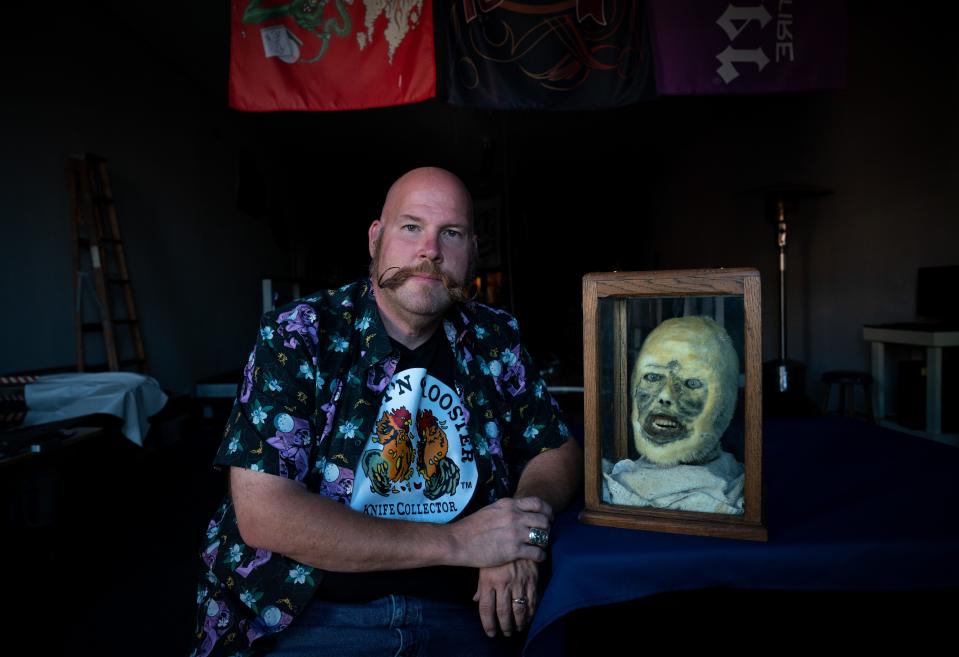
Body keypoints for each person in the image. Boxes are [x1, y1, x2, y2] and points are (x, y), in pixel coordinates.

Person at [190, 167, 582, 657]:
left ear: (473, 250)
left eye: (451, 233)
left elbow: (558, 447)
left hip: (465, 613)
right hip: (314, 617)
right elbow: (266, 514)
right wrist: (463, 544)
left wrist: (519, 531)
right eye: (411, 226)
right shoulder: (301, 333)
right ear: (377, 237)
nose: (431, 250)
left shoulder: (493, 336)